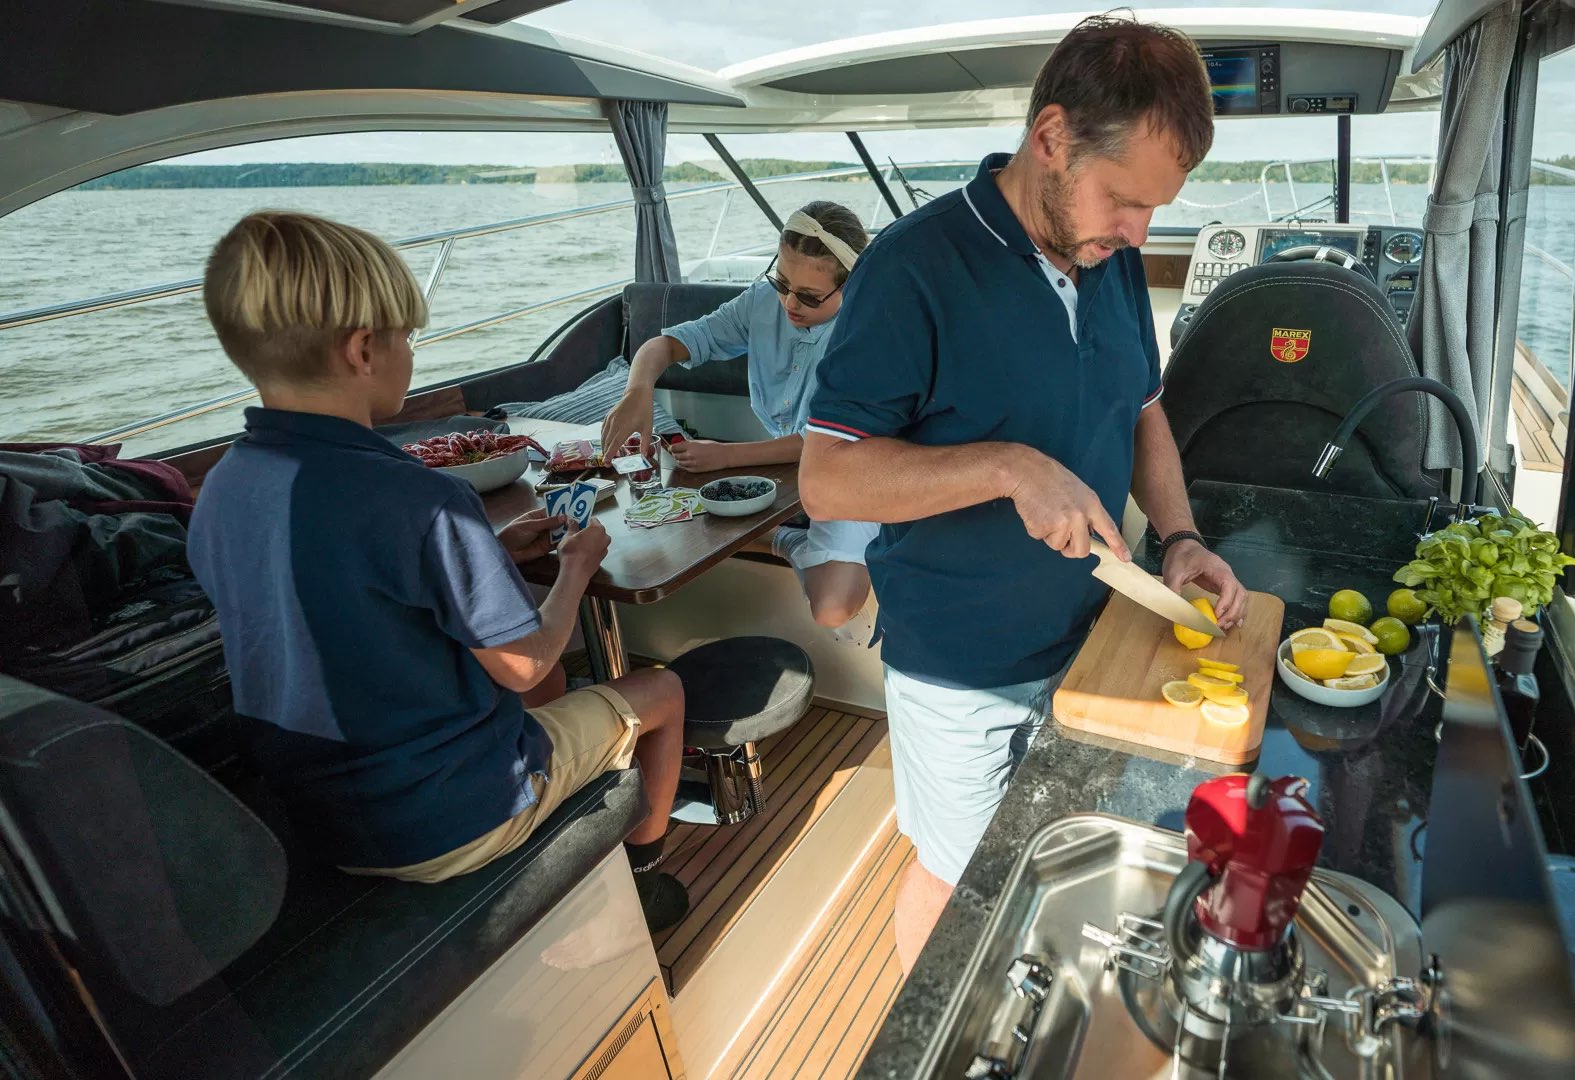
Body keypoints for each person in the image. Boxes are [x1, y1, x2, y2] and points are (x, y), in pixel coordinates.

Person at [798, 15, 1250, 969]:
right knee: (961, 884)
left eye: (1153, 210)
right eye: (1123, 200)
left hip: (1094, 639)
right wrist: (1008, 466)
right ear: (1051, 138)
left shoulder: (1110, 257)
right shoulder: (913, 268)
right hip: (962, 668)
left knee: (1059, 867)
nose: (1137, 232)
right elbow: (828, 478)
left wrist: (1178, 536)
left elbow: (1144, 409)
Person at [186, 211, 689, 930]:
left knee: (548, 693)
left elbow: (338, 597)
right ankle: (647, 884)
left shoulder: (222, 489)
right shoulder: (420, 499)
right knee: (662, 689)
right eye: (406, 338)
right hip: (449, 817)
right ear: (364, 348)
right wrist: (576, 568)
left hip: (317, 819)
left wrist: (495, 552)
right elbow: (525, 664)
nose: (409, 354)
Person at [601, 202, 879, 638]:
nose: (789, 303)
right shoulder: (762, 302)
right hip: (787, 472)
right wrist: (637, 391)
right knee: (658, 518)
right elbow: (665, 346)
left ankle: (785, 540)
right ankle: (786, 534)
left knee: (832, 606)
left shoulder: (868, 332)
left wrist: (726, 457)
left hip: (852, 469)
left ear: (852, 285)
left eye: (809, 296)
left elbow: (826, 442)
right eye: (782, 282)